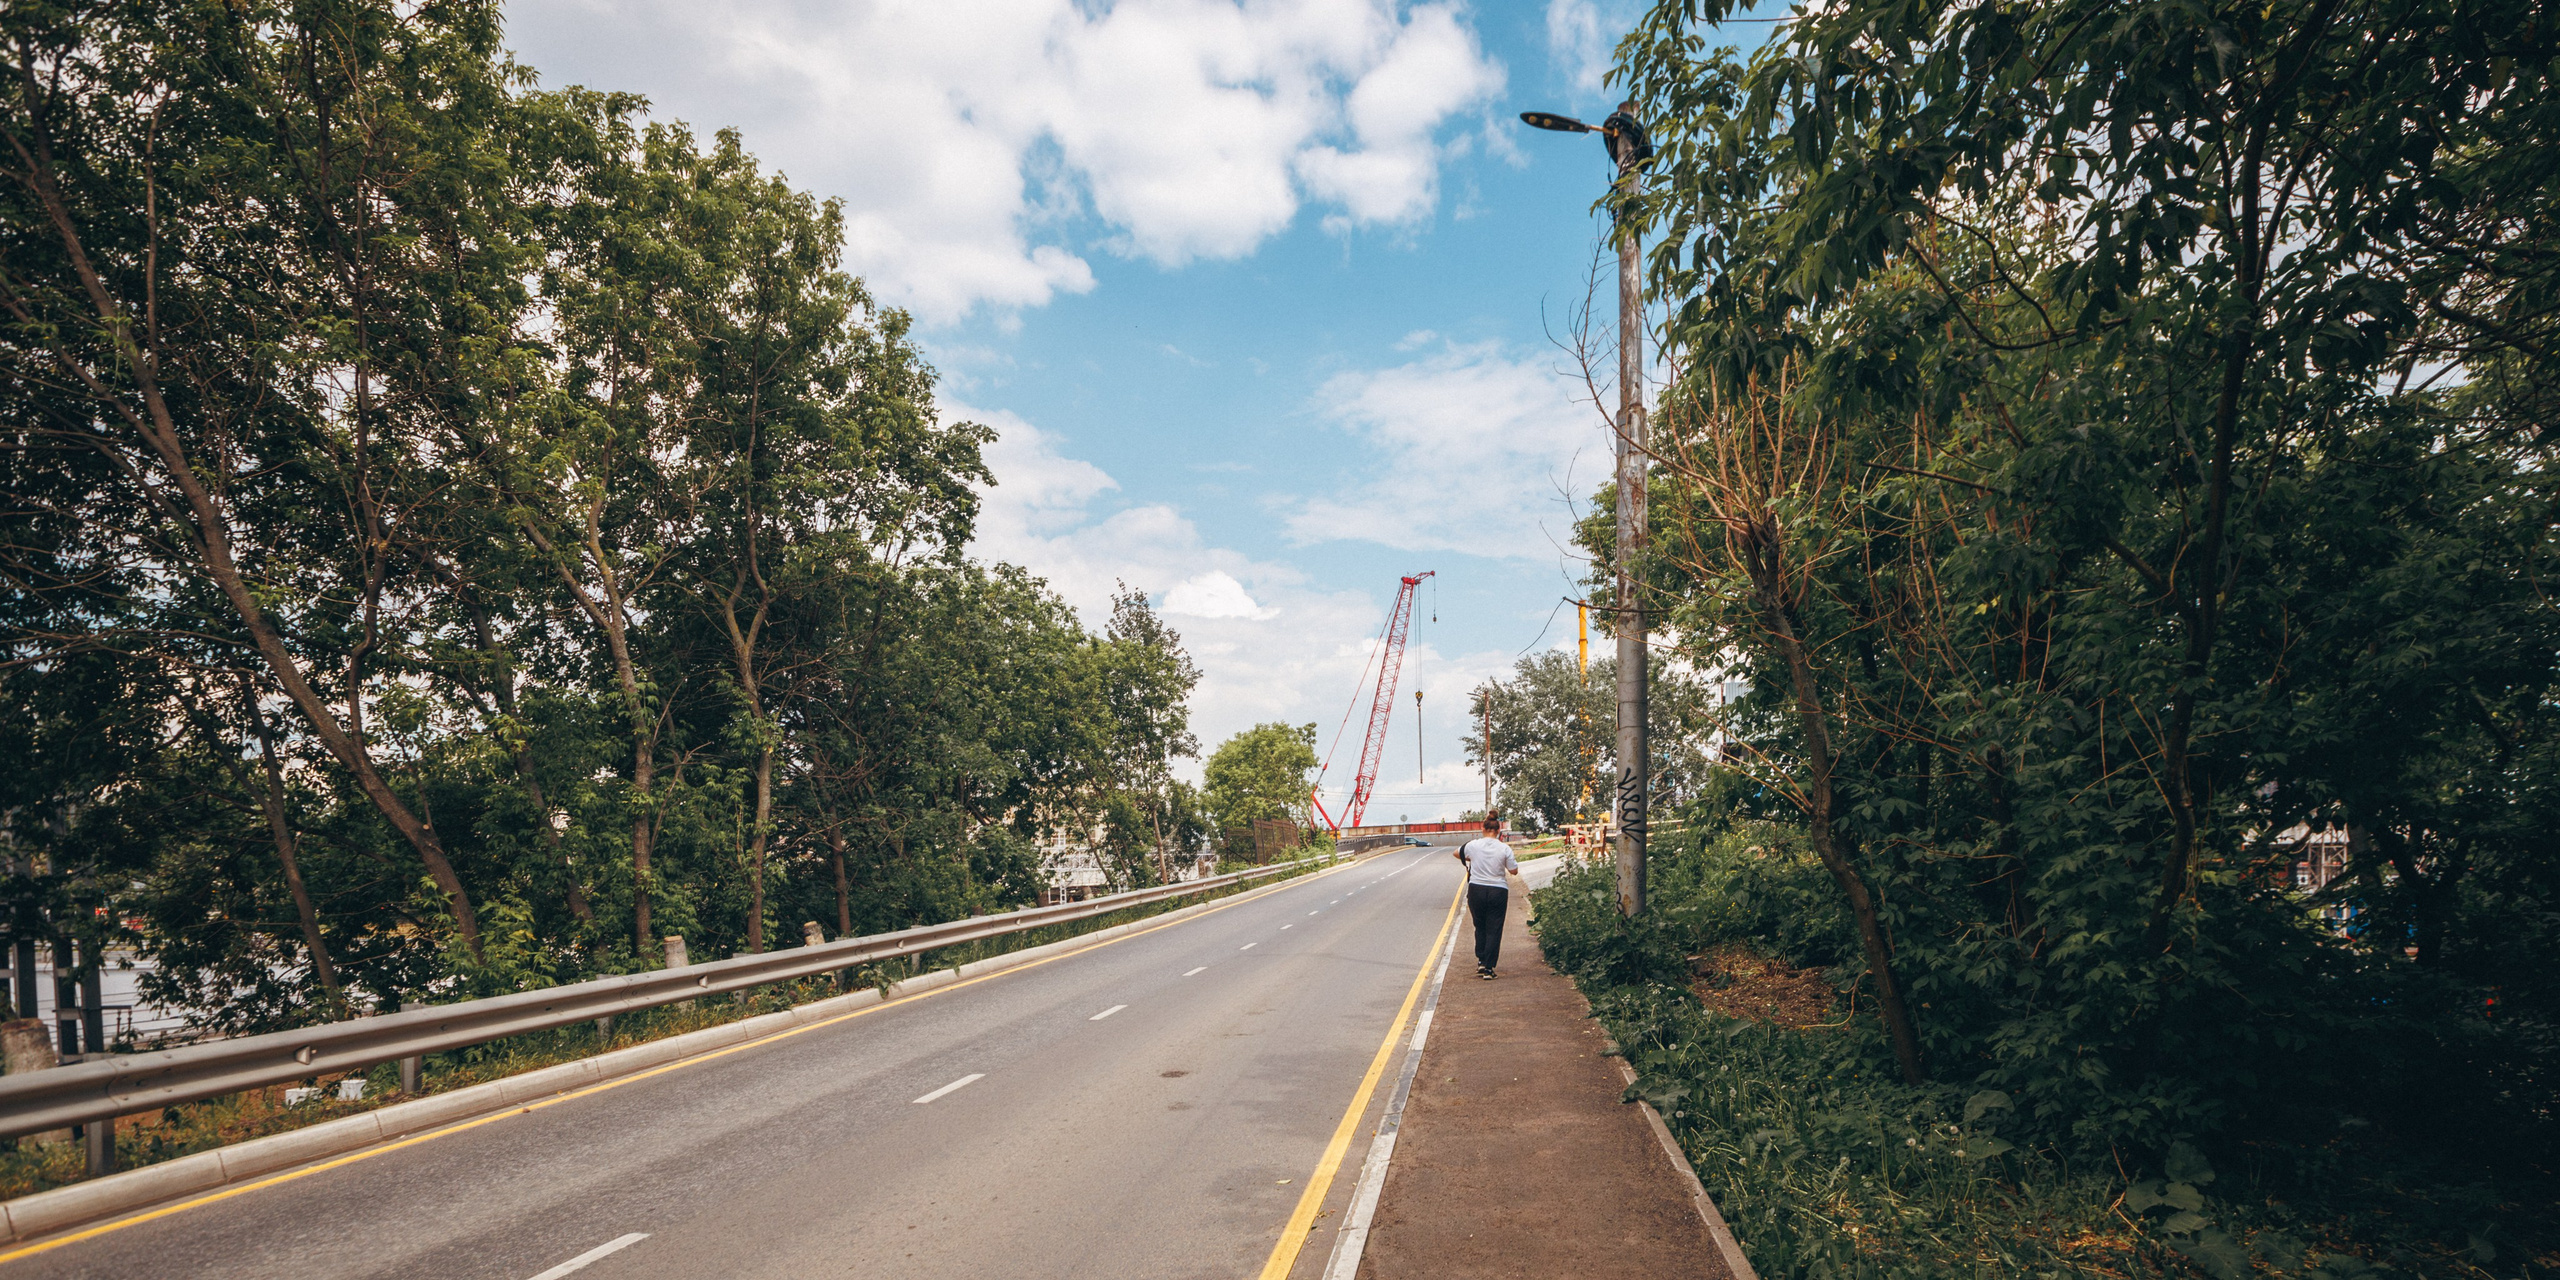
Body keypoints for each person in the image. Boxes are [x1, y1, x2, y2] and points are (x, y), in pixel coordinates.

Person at [1453, 815, 1521, 978]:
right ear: (1498, 831)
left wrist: (1472, 858)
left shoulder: (1473, 845)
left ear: (1483, 829)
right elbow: (1514, 871)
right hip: (1498, 890)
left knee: (1480, 925)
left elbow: (1456, 853)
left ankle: (1481, 961)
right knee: (1494, 928)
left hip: (1476, 889)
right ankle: (1489, 969)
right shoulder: (1504, 848)